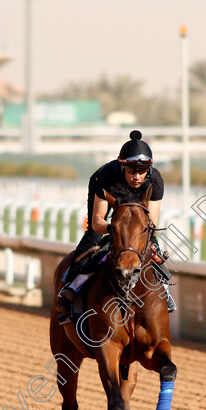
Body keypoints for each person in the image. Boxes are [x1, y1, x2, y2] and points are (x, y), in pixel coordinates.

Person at [56, 130, 175, 314]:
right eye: (130, 170)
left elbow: (151, 223)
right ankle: (70, 287)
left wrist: (139, 238)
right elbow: (97, 221)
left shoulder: (155, 181)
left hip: (138, 211)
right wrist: (114, 229)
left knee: (149, 240)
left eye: (142, 170)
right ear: (122, 167)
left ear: (149, 169)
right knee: (94, 236)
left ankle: (164, 289)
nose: (136, 176)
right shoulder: (107, 178)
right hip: (106, 191)